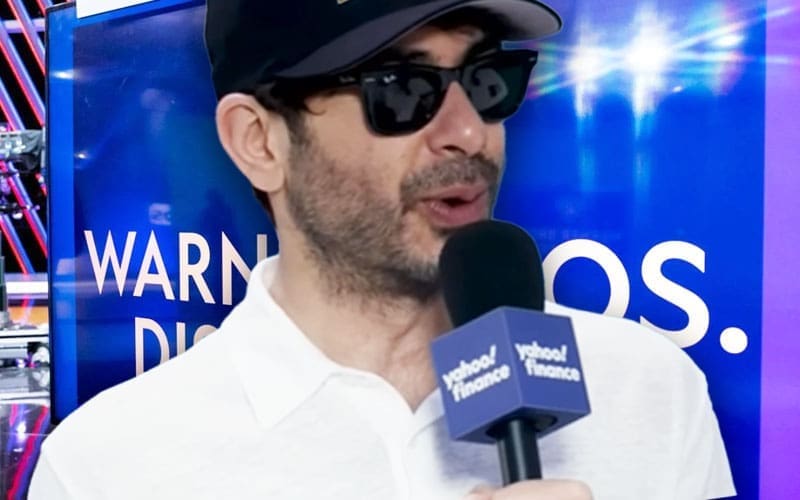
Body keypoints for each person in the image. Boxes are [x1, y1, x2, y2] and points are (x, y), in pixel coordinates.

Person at [30, 0, 736, 499]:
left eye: (485, 79)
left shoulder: (650, 390)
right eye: (400, 90)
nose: (468, 133)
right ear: (259, 141)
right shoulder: (109, 469)